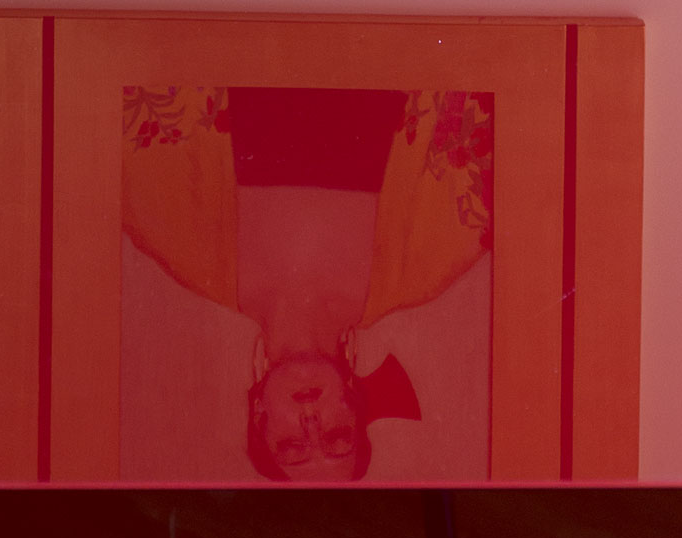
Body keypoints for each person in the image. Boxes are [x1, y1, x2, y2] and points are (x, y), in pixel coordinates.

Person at [121, 81, 490, 482]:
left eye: (292, 447)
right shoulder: (423, 268)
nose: (311, 424)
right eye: (337, 437)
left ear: (259, 415)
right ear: (353, 407)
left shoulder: (181, 243)